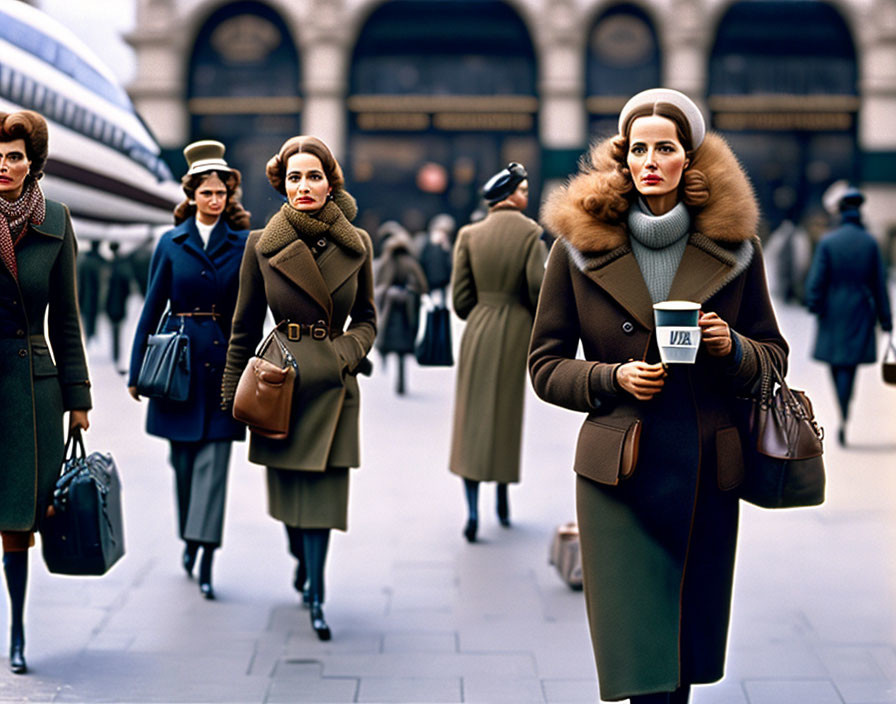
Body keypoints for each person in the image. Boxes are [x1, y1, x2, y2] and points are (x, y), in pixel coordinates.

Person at [528, 88, 788, 703]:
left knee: (682, 654)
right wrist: (610, 378)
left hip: (706, 468)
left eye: (664, 148)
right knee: (640, 654)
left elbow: (773, 357)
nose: (649, 160)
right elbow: (543, 366)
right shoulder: (577, 250)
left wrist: (733, 346)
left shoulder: (737, 252)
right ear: (623, 161)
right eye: (637, 148)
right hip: (620, 469)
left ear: (688, 161)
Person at [221, 136, 376, 641]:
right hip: (280, 383)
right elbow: (243, 325)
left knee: (324, 500)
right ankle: (300, 560)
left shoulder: (358, 243)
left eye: (313, 176)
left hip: (333, 381)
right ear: (281, 184)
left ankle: (316, 592)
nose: (303, 186)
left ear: (331, 182)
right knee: (291, 499)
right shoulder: (261, 244)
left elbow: (368, 318)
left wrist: (345, 353)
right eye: (294, 177)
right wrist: (231, 391)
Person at [127, 140, 251, 600]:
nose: (215, 200)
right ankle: (189, 538)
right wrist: (137, 370)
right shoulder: (170, 242)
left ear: (229, 195)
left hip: (223, 365)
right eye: (207, 193)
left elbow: (249, 311)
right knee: (182, 465)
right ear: (192, 195)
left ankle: (205, 555)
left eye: (222, 193)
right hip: (175, 365)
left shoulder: (242, 244)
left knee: (214, 465)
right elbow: (150, 306)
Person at [0, 110, 91, 674]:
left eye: (13, 155)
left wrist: (78, 397)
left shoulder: (55, 220)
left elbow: (68, 322)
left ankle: (16, 626)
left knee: (15, 521)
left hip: (30, 394)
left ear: (33, 162)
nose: (3, 166)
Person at [449, 162, 547, 542]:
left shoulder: (469, 234)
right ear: (509, 195)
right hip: (516, 329)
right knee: (506, 416)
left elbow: (460, 298)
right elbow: (538, 290)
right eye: (522, 190)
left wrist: (480, 310)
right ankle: (503, 501)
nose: (526, 195)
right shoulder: (531, 234)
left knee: (470, 417)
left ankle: (472, 509)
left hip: (479, 327)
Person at [805, 187, 892, 446]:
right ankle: (845, 410)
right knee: (850, 365)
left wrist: (815, 304)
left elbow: (816, 280)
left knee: (835, 362)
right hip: (860, 309)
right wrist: (886, 318)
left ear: (841, 212)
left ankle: (841, 407)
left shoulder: (828, 242)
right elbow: (879, 283)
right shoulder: (870, 242)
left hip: (833, 309)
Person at [374, 230, 429, 395]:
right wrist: (410, 293)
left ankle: (391, 368)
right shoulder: (411, 263)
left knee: (389, 340)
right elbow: (422, 285)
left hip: (391, 312)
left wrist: (387, 294)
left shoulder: (385, 262)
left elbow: (377, 286)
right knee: (403, 347)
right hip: (407, 312)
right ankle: (401, 382)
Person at [105, 240, 132, 373]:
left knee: (115, 330)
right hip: (119, 303)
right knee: (117, 330)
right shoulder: (121, 265)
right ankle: (116, 355)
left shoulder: (110, 265)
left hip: (113, 303)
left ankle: (116, 355)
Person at [76, 239, 105, 344]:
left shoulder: (85, 262)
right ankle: (91, 335)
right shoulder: (98, 262)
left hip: (86, 297)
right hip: (93, 296)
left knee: (87, 319)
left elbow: (81, 281)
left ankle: (89, 336)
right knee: (92, 318)